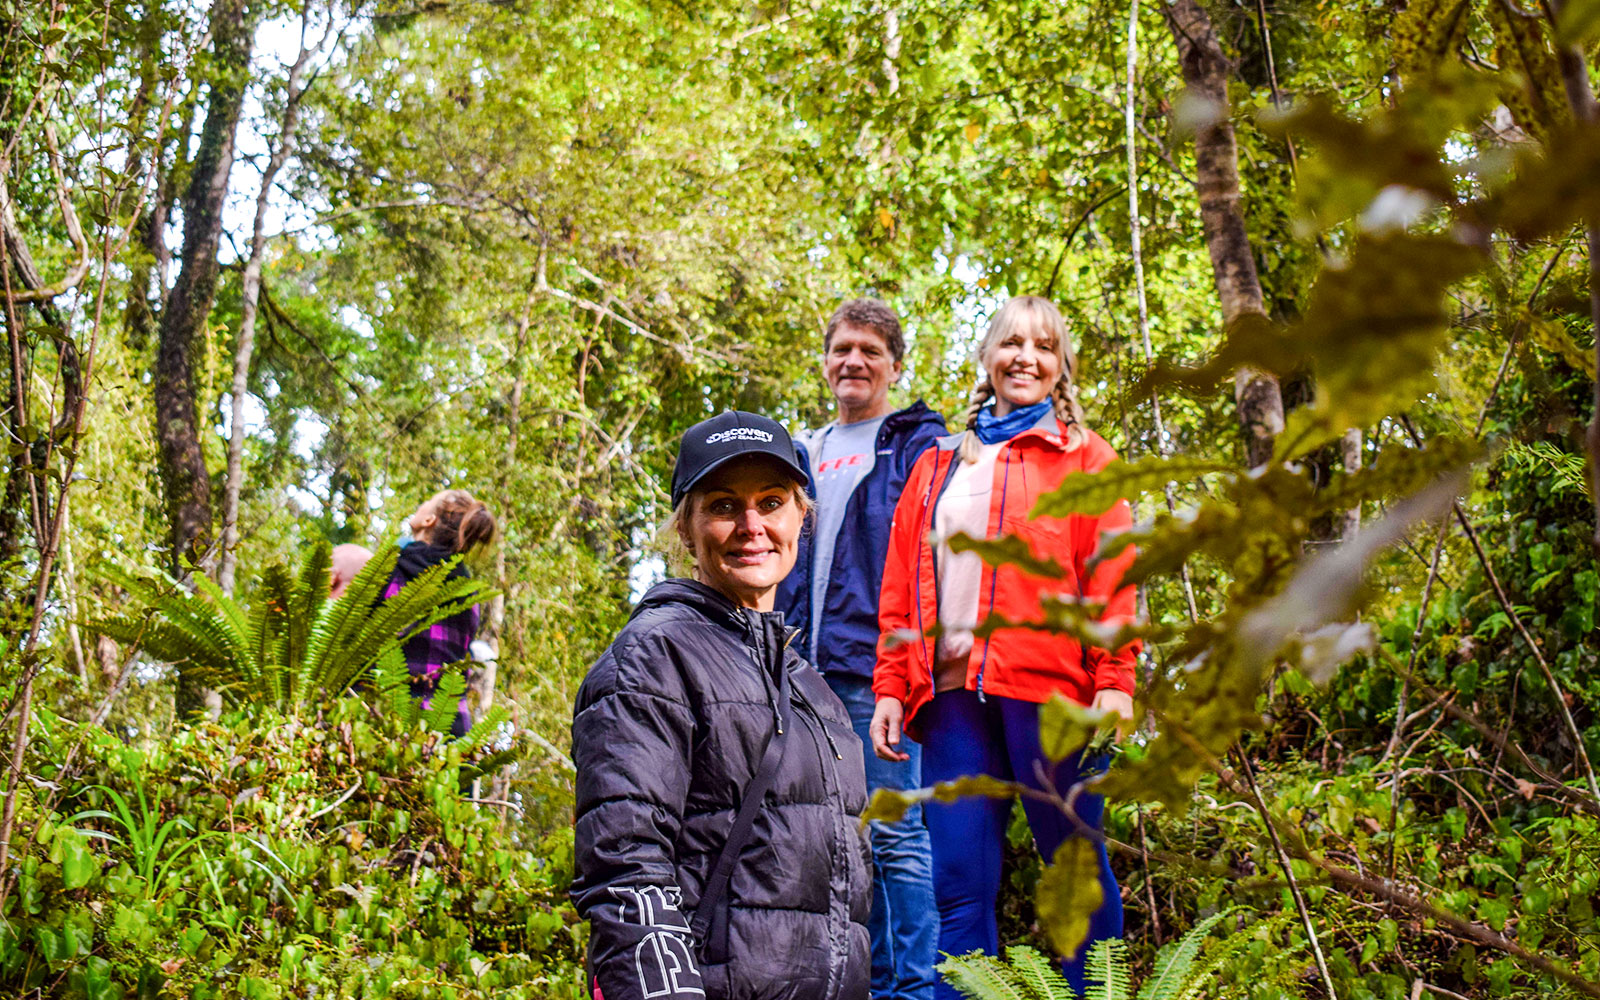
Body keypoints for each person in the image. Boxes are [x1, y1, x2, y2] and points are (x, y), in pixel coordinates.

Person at [870, 296, 1139, 996]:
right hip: (954, 699)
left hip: (1053, 693)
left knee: (1073, 871)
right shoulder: (934, 467)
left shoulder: (1088, 461)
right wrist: (892, 688)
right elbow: (901, 583)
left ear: (1061, 368)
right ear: (987, 359)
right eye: (1012, 343)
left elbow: (1112, 578)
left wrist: (1116, 679)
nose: (1026, 356)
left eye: (1044, 346)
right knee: (959, 885)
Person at [572, 411, 871, 1000]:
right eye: (724, 506)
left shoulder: (815, 691)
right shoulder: (655, 655)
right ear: (687, 528)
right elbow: (625, 860)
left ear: (801, 518)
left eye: (772, 501)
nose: (751, 525)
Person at [776, 298, 945, 1000]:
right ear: (824, 360)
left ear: (894, 367)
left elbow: (933, 560)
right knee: (820, 840)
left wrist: (906, 668)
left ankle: (912, 989)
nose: (854, 361)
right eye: (843, 348)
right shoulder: (799, 451)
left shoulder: (914, 446)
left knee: (896, 835)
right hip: (795, 671)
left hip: (876, 670)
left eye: (871, 351)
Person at [384, 489, 496, 737]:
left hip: (386, 723)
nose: (421, 505)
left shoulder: (389, 570)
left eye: (426, 502)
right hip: (446, 730)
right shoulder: (469, 594)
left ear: (429, 520)